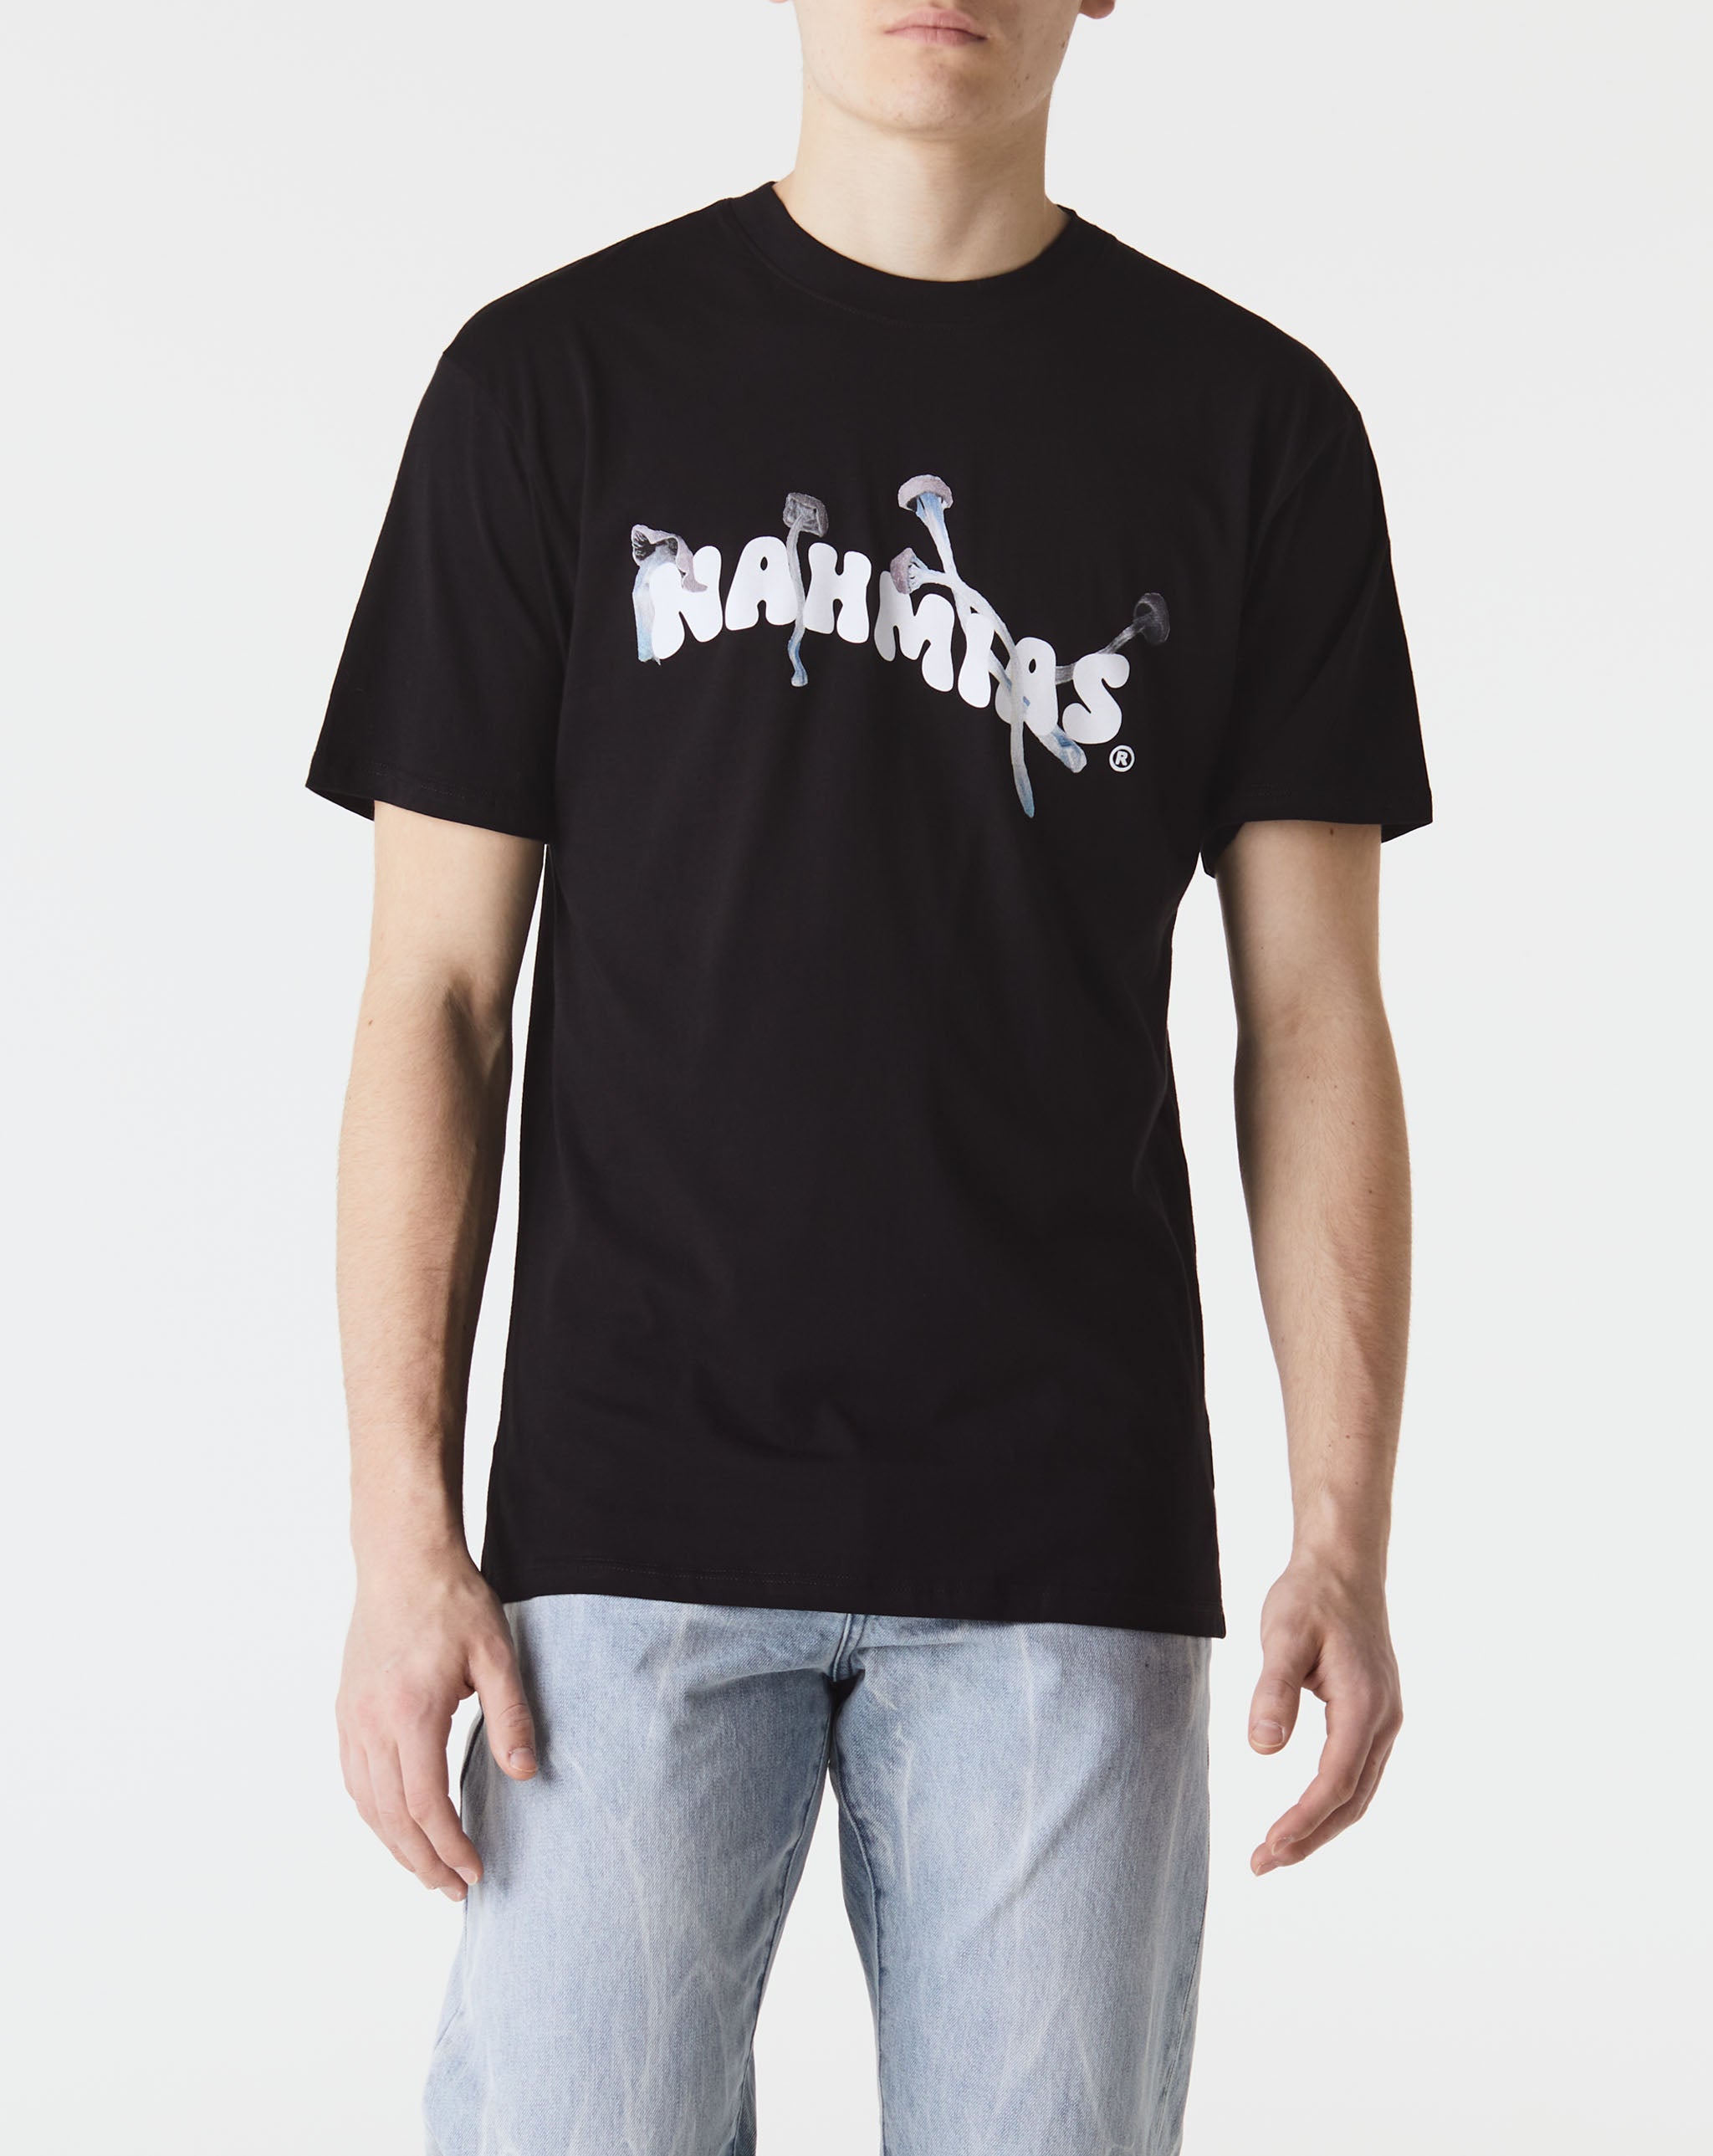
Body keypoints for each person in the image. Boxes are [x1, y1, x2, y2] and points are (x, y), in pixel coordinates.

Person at [307, 3, 1431, 2149]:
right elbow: (434, 996)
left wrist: (1341, 1528)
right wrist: (400, 1538)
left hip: (1064, 1545)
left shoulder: (1255, 426)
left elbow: (1311, 1019)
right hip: (620, 1532)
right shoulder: (550, 385)